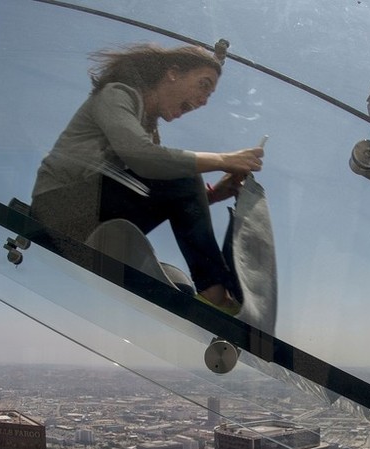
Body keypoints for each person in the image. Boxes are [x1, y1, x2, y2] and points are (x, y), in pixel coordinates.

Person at [30, 43, 264, 314]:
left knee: (179, 175)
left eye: (209, 95)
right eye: (203, 85)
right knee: (180, 171)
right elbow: (143, 157)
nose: (203, 101)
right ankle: (216, 295)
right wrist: (224, 160)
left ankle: (214, 291)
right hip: (56, 213)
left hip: (89, 216)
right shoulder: (116, 94)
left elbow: (163, 196)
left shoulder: (148, 127)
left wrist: (213, 195)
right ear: (173, 73)